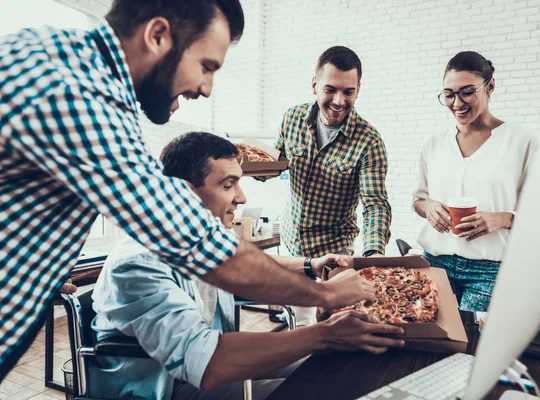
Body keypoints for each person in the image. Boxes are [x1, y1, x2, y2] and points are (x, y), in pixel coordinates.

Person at [0, 1, 374, 377]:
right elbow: (193, 239)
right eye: (206, 66)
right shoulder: (78, 93)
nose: (207, 88)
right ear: (157, 35)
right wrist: (325, 296)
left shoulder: (54, 57)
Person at [90, 132, 405, 400]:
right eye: (228, 185)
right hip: (165, 387)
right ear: (182, 193)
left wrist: (310, 266)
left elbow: (254, 265)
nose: (241, 197)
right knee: (315, 387)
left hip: (206, 364)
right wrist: (325, 333)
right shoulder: (137, 264)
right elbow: (206, 362)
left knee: (329, 368)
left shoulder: (198, 237)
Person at [269, 45, 392, 325]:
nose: (339, 100)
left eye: (348, 92)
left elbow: (374, 204)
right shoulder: (292, 119)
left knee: (329, 328)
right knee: (298, 324)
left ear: (358, 89)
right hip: (291, 247)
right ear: (315, 85)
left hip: (333, 253)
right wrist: (252, 169)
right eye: (330, 89)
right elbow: (276, 163)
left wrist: (372, 256)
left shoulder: (369, 141)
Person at [412, 51, 540, 312]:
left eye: (467, 92)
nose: (457, 102)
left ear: (490, 86)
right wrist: (429, 207)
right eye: (449, 94)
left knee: (472, 346)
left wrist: (502, 218)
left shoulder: (521, 141)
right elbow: (418, 199)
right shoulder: (433, 144)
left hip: (490, 271)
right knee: (433, 344)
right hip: (436, 262)